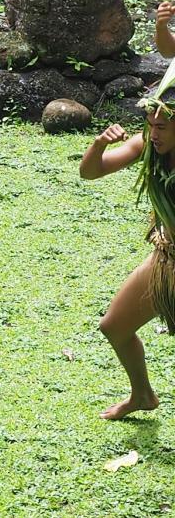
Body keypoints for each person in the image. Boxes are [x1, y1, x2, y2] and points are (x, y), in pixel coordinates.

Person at [79, 63, 175, 420]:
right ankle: (142, 395)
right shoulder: (147, 146)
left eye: (161, 127)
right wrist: (99, 144)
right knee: (114, 327)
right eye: (149, 126)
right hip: (167, 259)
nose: (153, 134)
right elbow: (90, 172)